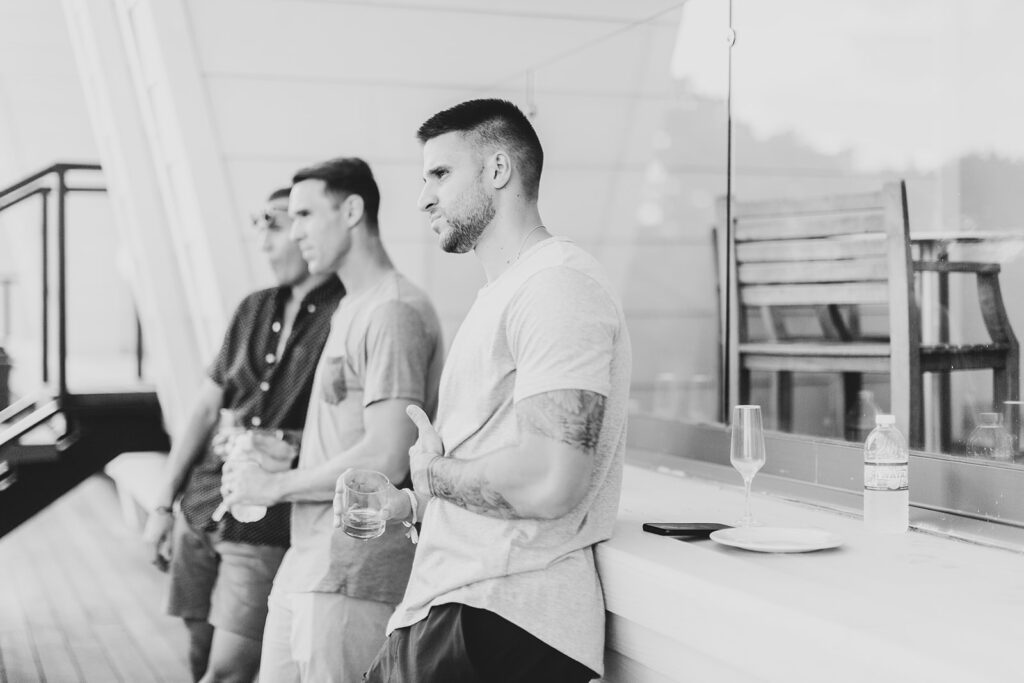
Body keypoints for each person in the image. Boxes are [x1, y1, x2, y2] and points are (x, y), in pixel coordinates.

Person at [354, 98, 632, 683]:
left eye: (441, 173)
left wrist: (432, 474)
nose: (424, 197)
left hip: (499, 619)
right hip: (460, 612)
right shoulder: (508, 292)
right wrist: (411, 501)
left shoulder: (556, 286)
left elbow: (551, 479)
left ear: (499, 170)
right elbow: (495, 468)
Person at [221, 157, 444, 683]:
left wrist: (275, 484)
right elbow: (352, 433)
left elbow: (386, 456)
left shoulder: (392, 311)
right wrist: (290, 451)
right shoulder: (351, 307)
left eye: (303, 215)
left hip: (353, 572)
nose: (293, 233)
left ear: (350, 210)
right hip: (310, 560)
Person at [143, 188, 344, 683]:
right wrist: (162, 504)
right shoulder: (251, 308)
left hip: (266, 521)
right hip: (202, 503)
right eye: (260, 226)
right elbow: (204, 409)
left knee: (230, 671)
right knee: (198, 652)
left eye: (275, 224)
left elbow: (349, 429)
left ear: (307, 229)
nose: (266, 241)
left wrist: (283, 442)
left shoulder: (348, 315)